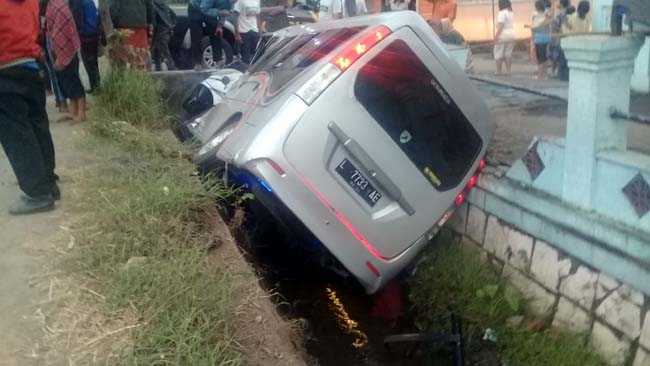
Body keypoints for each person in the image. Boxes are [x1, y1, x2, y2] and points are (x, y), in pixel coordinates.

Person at [0, 0, 60, 215]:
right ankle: (49, 185)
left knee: (17, 136)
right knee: (38, 128)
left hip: (5, 71)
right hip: (31, 68)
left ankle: (37, 194)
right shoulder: (31, 1)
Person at [46, 0, 87, 122]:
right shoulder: (51, 5)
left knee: (73, 80)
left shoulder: (59, 6)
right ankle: (73, 111)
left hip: (66, 49)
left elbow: (62, 32)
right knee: (65, 81)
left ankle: (81, 113)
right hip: (57, 48)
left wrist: (61, 56)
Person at [188, 0, 233, 70]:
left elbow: (224, 12)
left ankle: (218, 60)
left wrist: (219, 26)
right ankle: (197, 63)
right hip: (196, 8)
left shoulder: (230, 3)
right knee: (196, 36)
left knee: (216, 32)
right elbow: (203, 9)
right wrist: (219, 12)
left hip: (211, 9)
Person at [110, 0, 153, 70]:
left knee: (123, 57)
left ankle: (123, 78)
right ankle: (138, 77)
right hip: (140, 27)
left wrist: (115, 23)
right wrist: (148, 21)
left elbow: (113, 9)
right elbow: (150, 8)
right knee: (140, 57)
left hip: (124, 28)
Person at [69, 0, 101, 93]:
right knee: (94, 62)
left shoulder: (78, 2)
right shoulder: (90, 1)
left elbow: (77, 18)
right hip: (94, 33)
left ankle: (95, 88)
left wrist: (77, 33)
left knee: (88, 63)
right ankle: (96, 86)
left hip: (85, 36)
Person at [526, 0, 550, 80]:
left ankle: (540, 76)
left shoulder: (535, 16)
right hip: (545, 38)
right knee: (545, 57)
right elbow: (548, 27)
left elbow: (534, 28)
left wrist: (532, 38)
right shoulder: (546, 16)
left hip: (539, 39)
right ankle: (545, 74)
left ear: (536, 7)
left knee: (540, 58)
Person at [151, 0, 177, 71]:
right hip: (168, 30)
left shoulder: (152, 5)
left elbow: (153, 20)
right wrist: (171, 25)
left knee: (162, 50)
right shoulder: (164, 4)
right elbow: (173, 15)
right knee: (157, 50)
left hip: (159, 31)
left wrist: (153, 27)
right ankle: (159, 68)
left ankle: (172, 67)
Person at [549, 0, 571, 80]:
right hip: (567, 38)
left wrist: (552, 36)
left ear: (561, 4)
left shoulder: (560, 15)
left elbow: (554, 26)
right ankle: (560, 72)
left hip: (558, 37)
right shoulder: (570, 13)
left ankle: (554, 72)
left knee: (556, 55)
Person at [494, 0, 515, 76]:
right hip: (512, 33)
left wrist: (496, 36)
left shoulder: (501, 13)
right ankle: (508, 71)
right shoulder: (511, 12)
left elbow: (501, 26)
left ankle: (499, 71)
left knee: (498, 53)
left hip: (503, 34)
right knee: (508, 53)